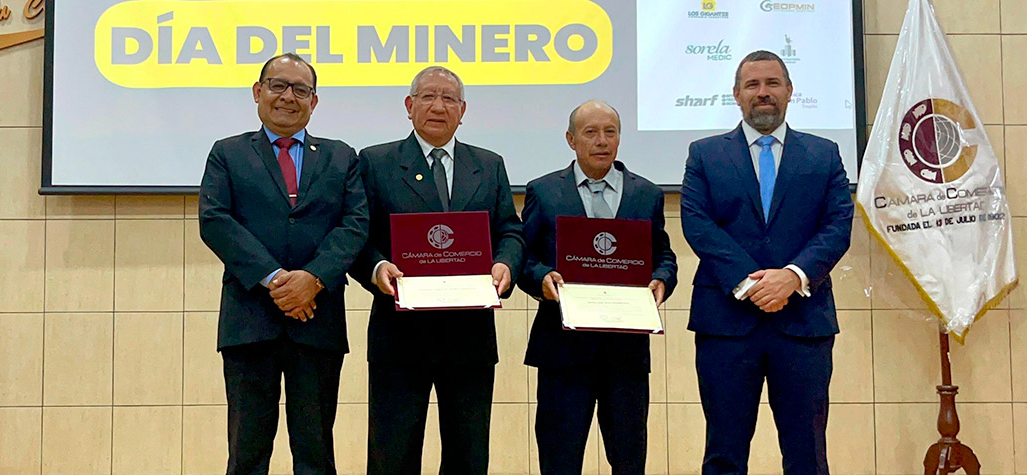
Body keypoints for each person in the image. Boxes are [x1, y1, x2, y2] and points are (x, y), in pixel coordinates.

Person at [680, 50, 853, 475]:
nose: (763, 93)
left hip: (803, 323)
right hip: (726, 322)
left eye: (773, 84)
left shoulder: (824, 153)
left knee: (807, 453)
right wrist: (749, 282)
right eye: (753, 85)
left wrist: (792, 277)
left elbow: (838, 225)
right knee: (724, 451)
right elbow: (697, 223)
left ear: (790, 92)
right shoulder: (705, 154)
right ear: (736, 94)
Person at [347, 66, 525, 475]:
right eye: (428, 97)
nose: (438, 106)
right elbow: (357, 235)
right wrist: (376, 269)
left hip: (469, 337)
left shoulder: (489, 164)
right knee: (393, 454)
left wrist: (505, 264)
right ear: (409, 107)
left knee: (468, 454)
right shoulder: (375, 162)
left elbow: (510, 231)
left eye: (449, 99)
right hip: (400, 335)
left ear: (463, 111)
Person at [198, 52, 369, 475]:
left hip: (318, 319)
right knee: (247, 450)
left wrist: (312, 279)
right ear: (258, 92)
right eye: (278, 85)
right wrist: (277, 281)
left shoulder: (341, 156)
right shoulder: (228, 153)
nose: (288, 97)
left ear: (315, 101)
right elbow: (215, 220)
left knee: (315, 450)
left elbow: (355, 223)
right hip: (250, 320)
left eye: (301, 89)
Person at [518, 100, 677, 475]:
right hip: (563, 351)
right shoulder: (544, 191)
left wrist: (661, 280)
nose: (602, 141)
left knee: (629, 458)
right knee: (559, 458)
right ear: (571, 139)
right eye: (591, 132)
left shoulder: (647, 194)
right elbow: (522, 255)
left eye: (610, 132)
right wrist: (541, 277)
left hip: (626, 353)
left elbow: (664, 256)